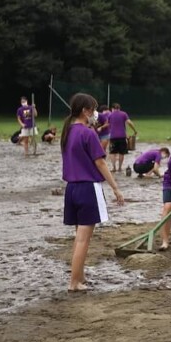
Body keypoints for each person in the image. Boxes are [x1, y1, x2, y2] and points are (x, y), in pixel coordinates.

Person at [60, 93, 124, 292]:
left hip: (71, 189)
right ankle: (74, 283)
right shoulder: (88, 133)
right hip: (88, 189)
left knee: (78, 238)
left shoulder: (67, 131)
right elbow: (101, 163)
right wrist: (115, 188)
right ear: (85, 111)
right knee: (83, 240)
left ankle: (79, 277)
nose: (95, 113)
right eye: (93, 109)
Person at [107, 103, 137, 172]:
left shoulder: (110, 115)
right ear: (119, 108)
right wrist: (134, 130)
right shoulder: (123, 114)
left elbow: (109, 125)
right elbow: (129, 123)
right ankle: (120, 168)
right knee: (121, 152)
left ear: (112, 108)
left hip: (113, 137)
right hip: (122, 137)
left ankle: (114, 167)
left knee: (112, 152)